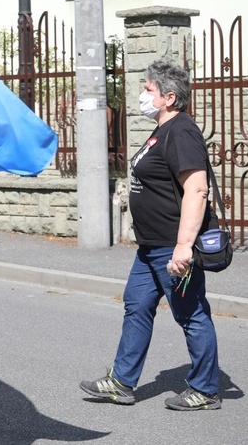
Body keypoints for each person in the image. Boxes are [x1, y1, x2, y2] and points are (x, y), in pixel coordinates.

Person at [80, 60, 221, 411]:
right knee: (137, 305)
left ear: (169, 97)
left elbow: (197, 190)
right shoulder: (162, 130)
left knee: (191, 314)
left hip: (172, 247)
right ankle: (121, 382)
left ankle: (205, 390)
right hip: (151, 247)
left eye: (148, 90)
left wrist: (184, 247)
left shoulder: (181, 132)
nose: (142, 95)